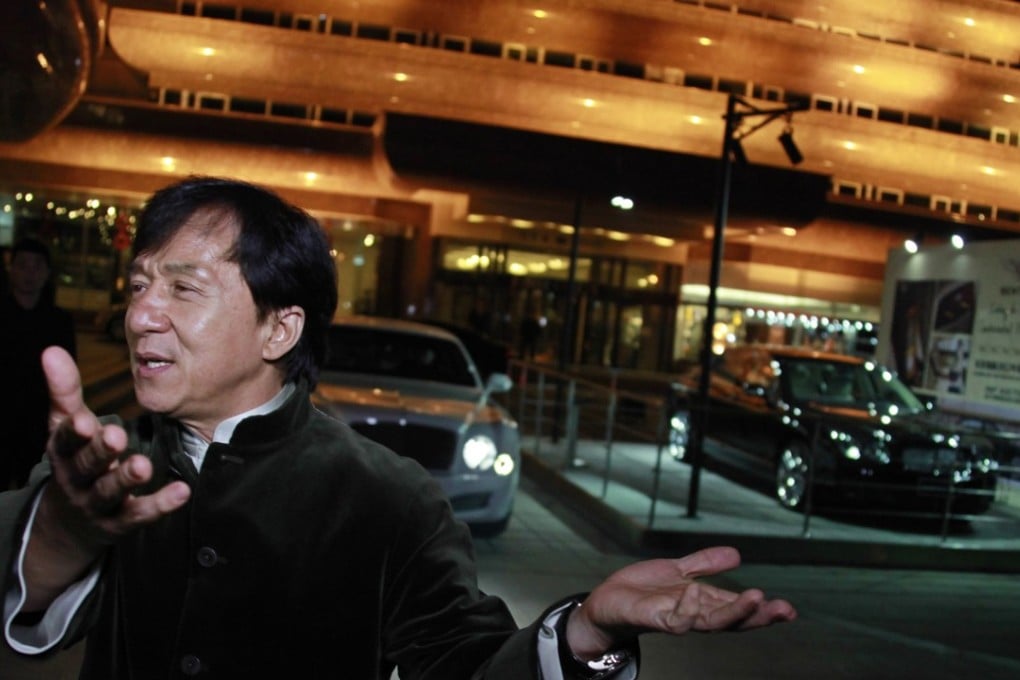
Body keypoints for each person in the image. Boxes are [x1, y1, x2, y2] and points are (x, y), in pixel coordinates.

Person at [0, 176, 795, 678]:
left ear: (280, 330)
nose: (140, 314)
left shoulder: (389, 500)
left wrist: (587, 629)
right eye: (139, 284)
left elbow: (471, 665)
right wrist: (67, 528)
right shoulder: (107, 470)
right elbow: (30, 608)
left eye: (182, 287)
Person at [0, 236, 76, 490]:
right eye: (22, 265)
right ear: (11, 269)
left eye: (37, 266)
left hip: (39, 424)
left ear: (47, 273)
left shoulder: (59, 321)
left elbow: (70, 373)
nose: (29, 273)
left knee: (32, 493)